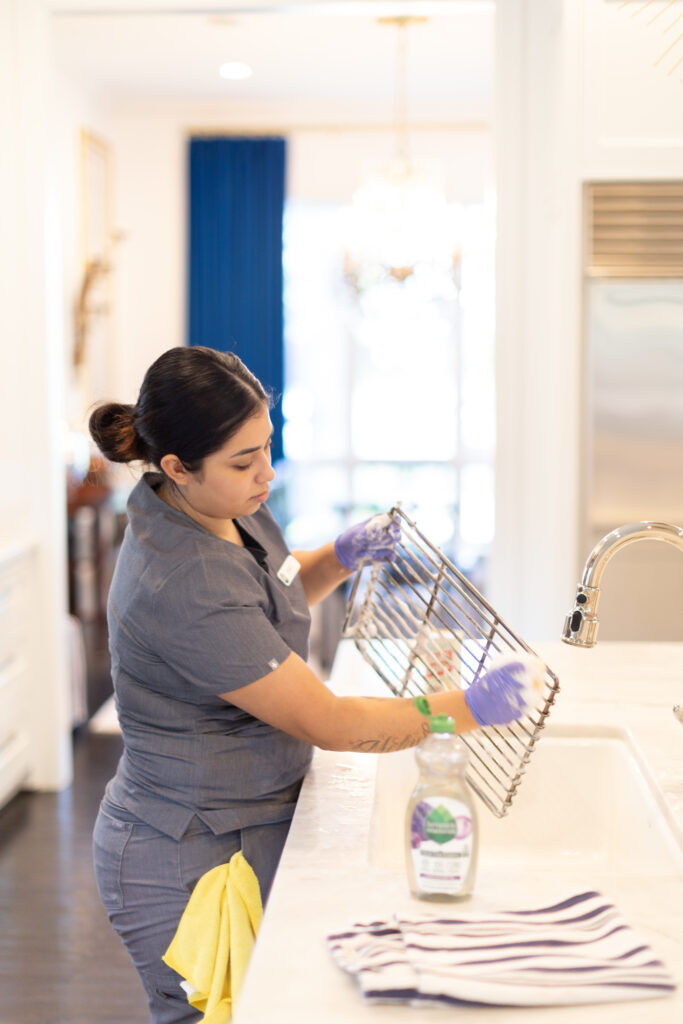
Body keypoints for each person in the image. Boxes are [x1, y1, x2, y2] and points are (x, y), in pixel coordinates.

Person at [89, 346, 537, 1024]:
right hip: (186, 856)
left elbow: (272, 581)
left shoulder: (215, 506)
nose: (265, 473)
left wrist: (337, 557)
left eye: (266, 447)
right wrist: (466, 709)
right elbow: (331, 722)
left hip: (246, 818)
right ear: (177, 466)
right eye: (243, 461)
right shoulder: (183, 582)